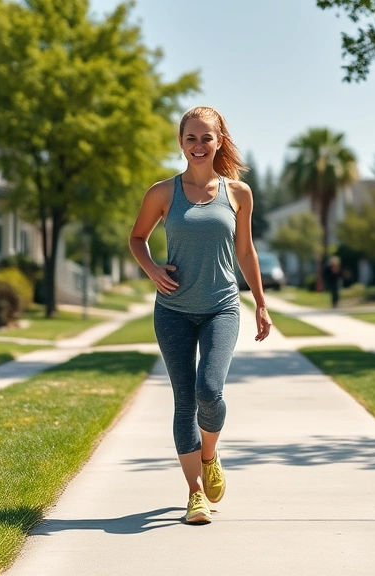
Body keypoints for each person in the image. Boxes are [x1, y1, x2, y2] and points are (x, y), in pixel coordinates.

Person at [129, 106, 273, 525]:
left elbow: (245, 252)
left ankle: (209, 455)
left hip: (221, 307)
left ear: (219, 141)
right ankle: (195, 494)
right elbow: (137, 238)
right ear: (180, 142)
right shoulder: (162, 193)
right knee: (183, 400)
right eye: (190, 138)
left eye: (206, 138)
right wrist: (153, 269)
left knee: (209, 391)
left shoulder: (238, 193)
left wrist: (261, 303)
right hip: (173, 310)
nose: (198, 145)